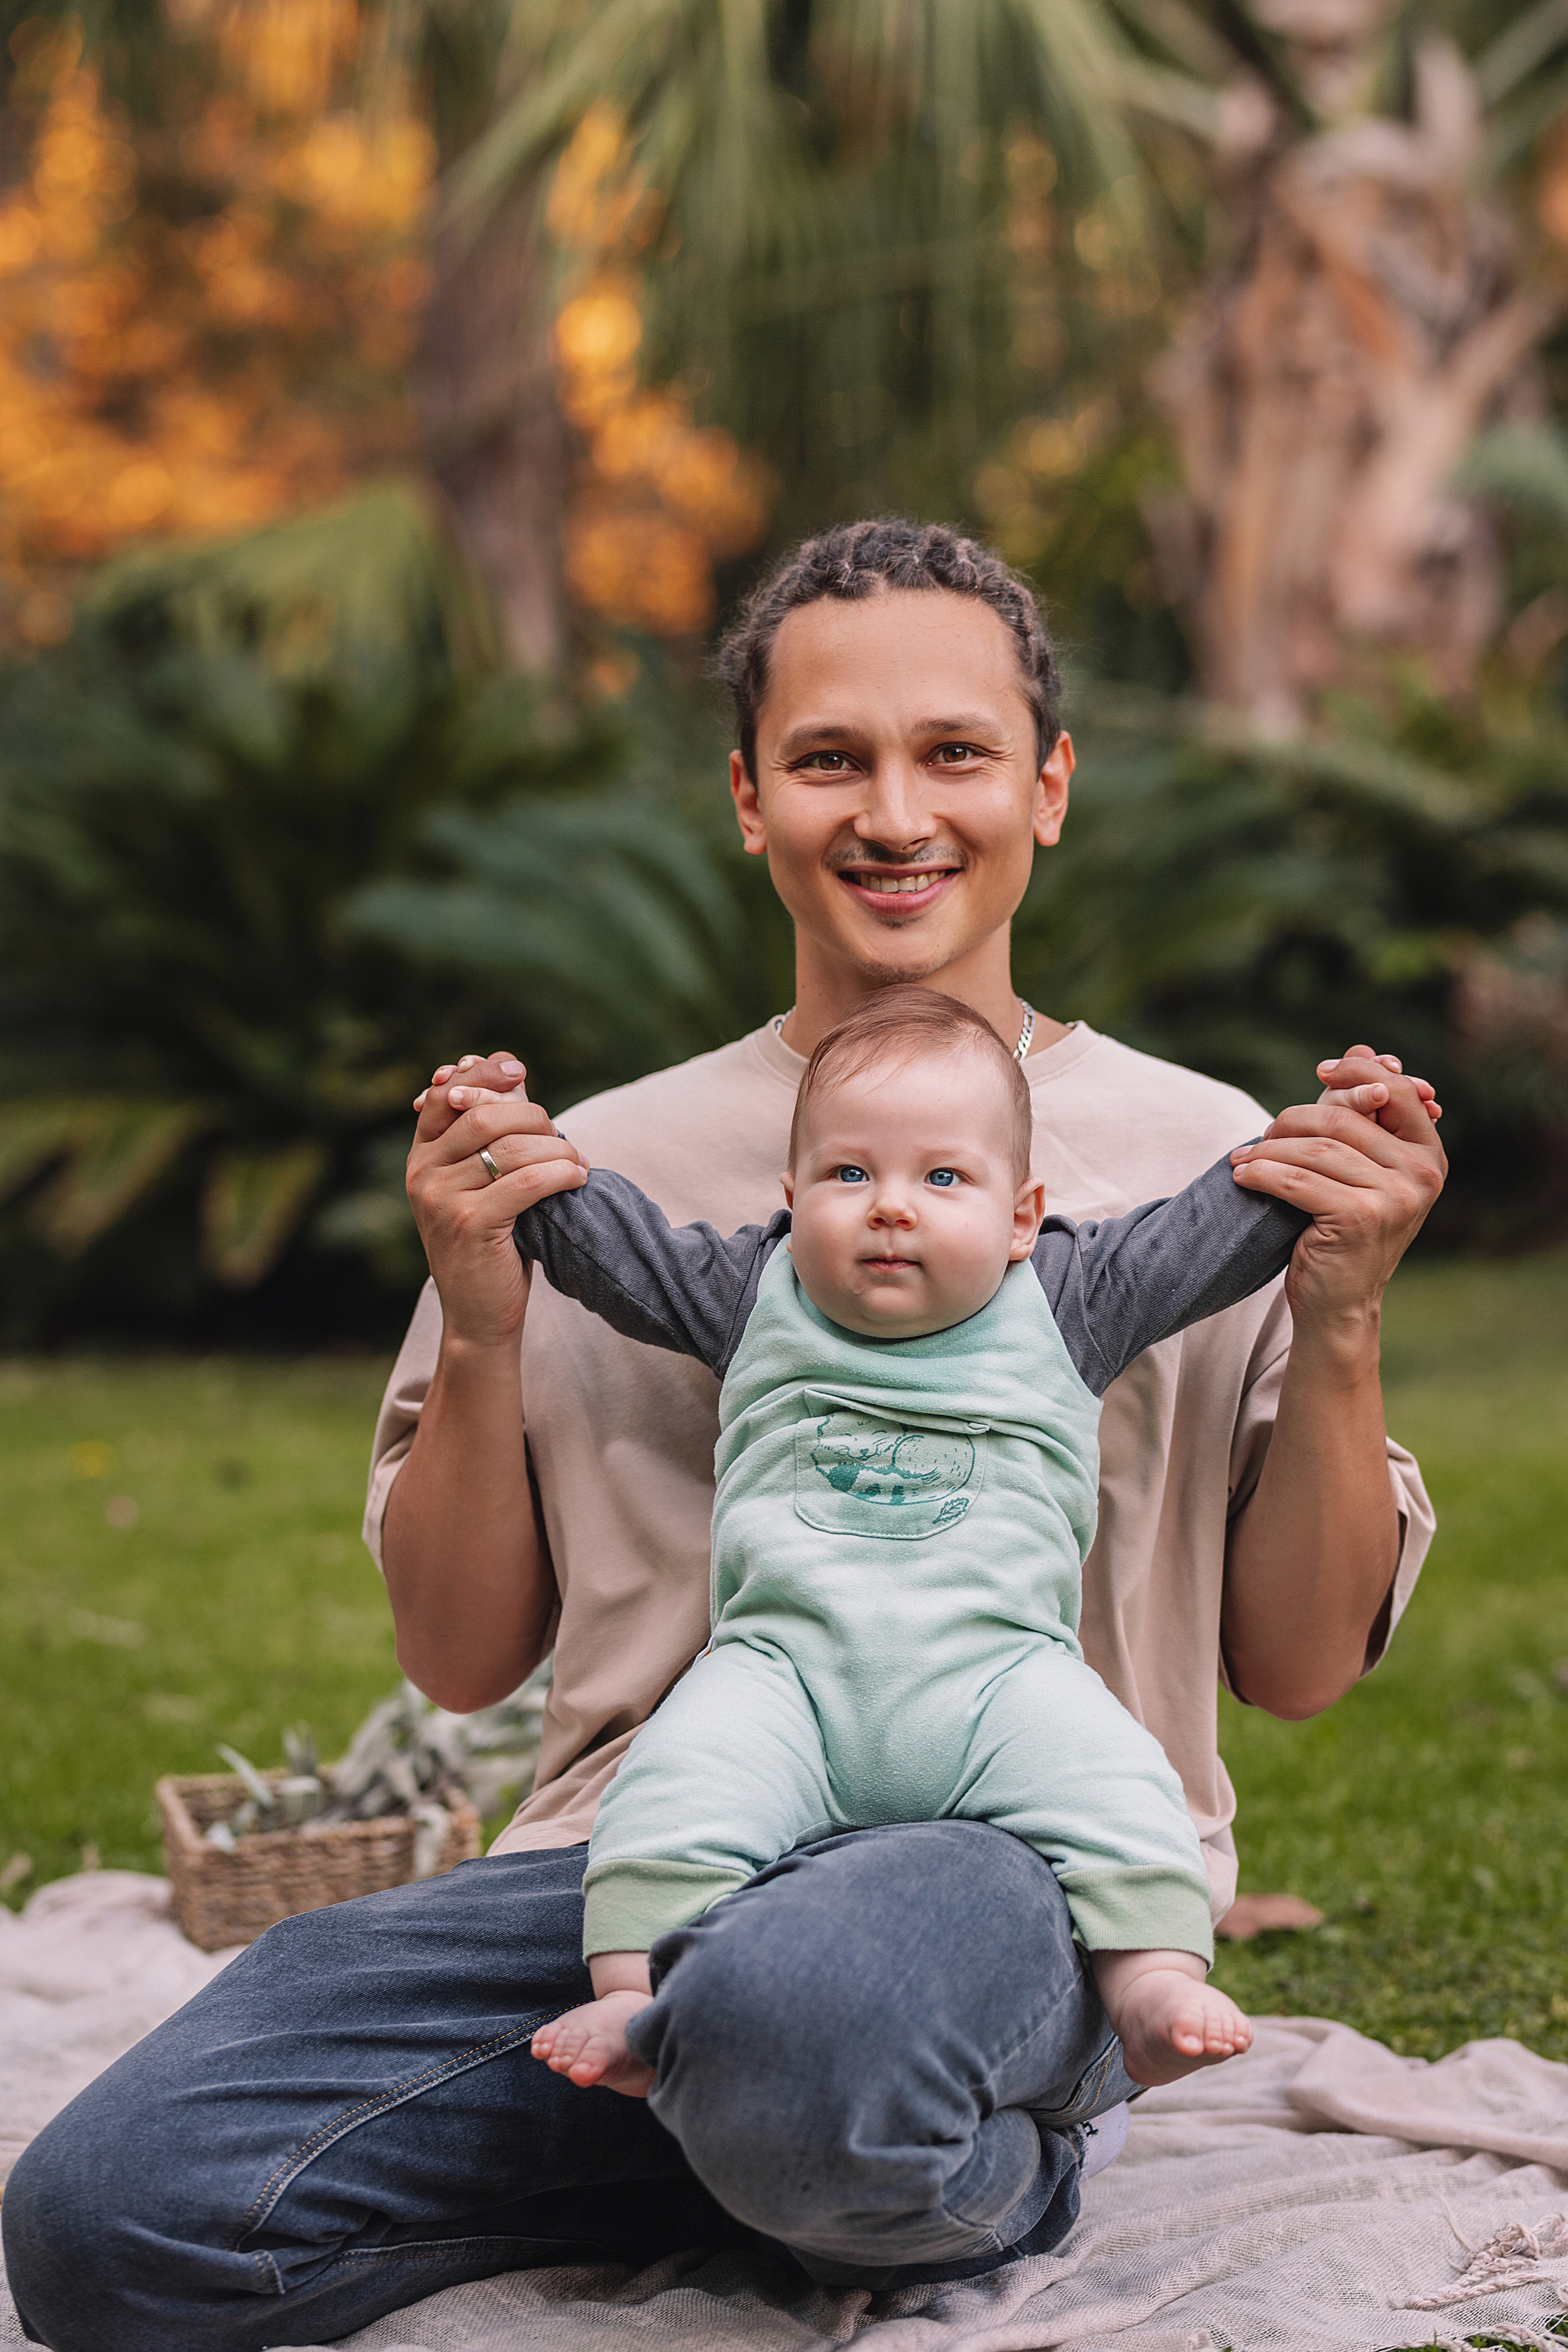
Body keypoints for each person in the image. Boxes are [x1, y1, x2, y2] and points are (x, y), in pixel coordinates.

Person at [1, 521, 1446, 2352]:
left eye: (957, 754)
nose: (896, 813)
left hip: (1001, 1867)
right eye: (832, 759)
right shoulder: (587, 1168)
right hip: (628, 1865)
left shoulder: (1197, 1157)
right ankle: (792, 2160)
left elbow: (1302, 1666)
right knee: (99, 2228)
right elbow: (459, 1660)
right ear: (749, 797)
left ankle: (924, 2136)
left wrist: (1342, 1316)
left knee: (810, 2010)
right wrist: (481, 1305)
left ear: (1050, 788)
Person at [521, 981, 1355, 2098]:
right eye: (849, 1173)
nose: (890, 1207)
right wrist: (509, 1150)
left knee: (1118, 1785)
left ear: (1021, 1215)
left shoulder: (1066, 1298)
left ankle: (1150, 1985)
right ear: (791, 1195)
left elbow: (1213, 1230)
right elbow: (609, 1244)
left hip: (999, 1679)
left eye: (943, 1177)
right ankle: (633, 1994)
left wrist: (1340, 1136)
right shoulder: (755, 1292)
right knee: (675, 1784)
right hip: (784, 1678)